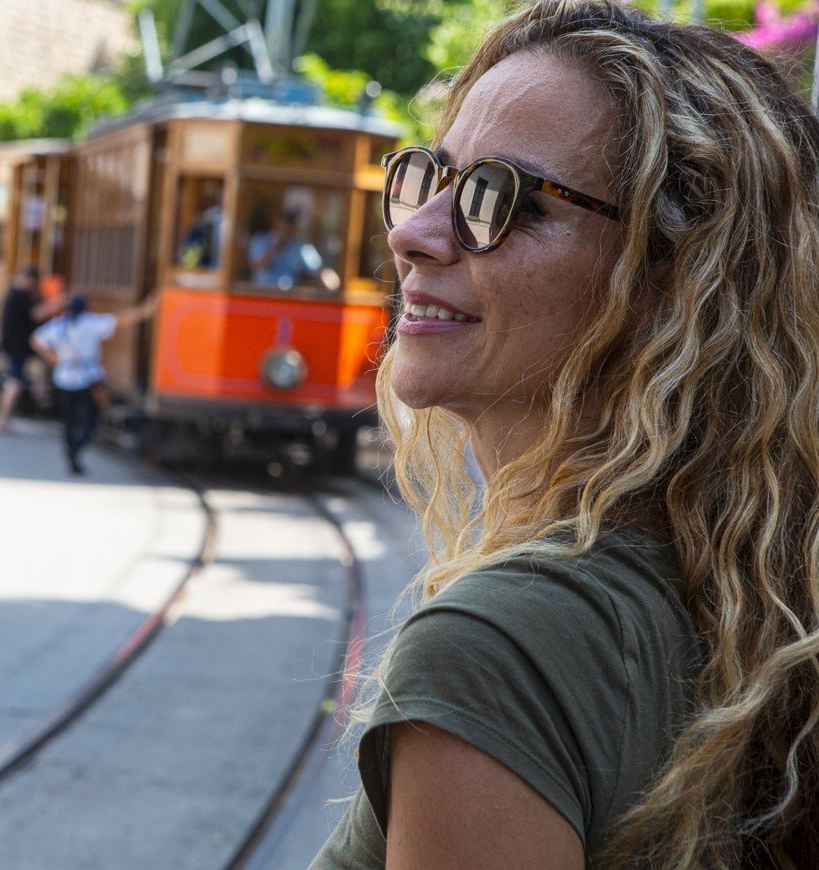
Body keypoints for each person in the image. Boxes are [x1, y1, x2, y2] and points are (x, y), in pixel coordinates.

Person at [313, 1, 819, 867]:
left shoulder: (499, 647)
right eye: (429, 177)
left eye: (500, 200)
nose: (411, 233)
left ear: (672, 281)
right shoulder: (760, 606)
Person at [31, 293, 155, 476]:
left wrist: (52, 357)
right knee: (91, 419)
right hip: (87, 379)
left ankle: (70, 453)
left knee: (69, 421)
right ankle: (77, 450)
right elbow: (119, 321)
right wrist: (145, 310)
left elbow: (36, 339)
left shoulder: (58, 325)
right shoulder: (89, 323)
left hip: (64, 378)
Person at [0, 268, 57, 432]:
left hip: (16, 344)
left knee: (41, 360)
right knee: (14, 382)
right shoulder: (20, 295)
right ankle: (2, 419)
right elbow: (36, 314)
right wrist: (59, 303)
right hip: (18, 345)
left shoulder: (13, 294)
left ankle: (39, 388)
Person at [246, 210, 337, 291]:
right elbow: (256, 265)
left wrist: (329, 278)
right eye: (281, 228)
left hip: (289, 296)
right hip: (262, 293)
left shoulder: (301, 248)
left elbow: (318, 269)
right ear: (275, 226)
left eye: (287, 229)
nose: (284, 232)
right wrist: (274, 248)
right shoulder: (260, 241)